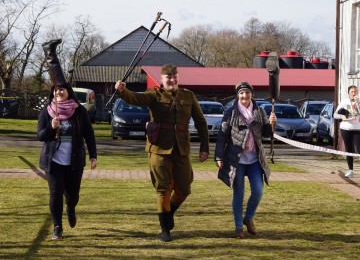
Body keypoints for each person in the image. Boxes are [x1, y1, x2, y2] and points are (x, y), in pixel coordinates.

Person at [115, 64, 209, 242]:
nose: (171, 80)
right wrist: (123, 91)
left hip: (181, 148)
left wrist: (205, 147)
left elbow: (201, 121)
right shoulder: (154, 94)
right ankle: (165, 228)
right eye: (168, 77)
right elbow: (136, 98)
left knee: (184, 188)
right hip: (159, 148)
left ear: (178, 78)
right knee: (163, 189)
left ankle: (168, 213)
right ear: (162, 79)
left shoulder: (188, 96)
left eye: (174, 77)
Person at [38, 39, 97, 240]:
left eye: (62, 89)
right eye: (56, 89)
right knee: (55, 193)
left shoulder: (79, 111)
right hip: (53, 161)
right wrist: (50, 127)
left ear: (68, 91)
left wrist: (93, 155)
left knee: (72, 196)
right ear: (53, 93)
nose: (59, 91)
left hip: (74, 161)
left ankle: (71, 209)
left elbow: (89, 134)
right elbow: (40, 136)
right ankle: (57, 226)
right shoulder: (47, 112)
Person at [214, 81, 276, 239]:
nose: (244, 95)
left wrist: (271, 124)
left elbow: (266, 134)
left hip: (255, 158)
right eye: (241, 93)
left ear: (252, 95)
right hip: (236, 158)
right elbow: (222, 136)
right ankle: (238, 227)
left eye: (247, 92)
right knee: (239, 193)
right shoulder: (230, 112)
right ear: (237, 95)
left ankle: (248, 218)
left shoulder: (259, 111)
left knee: (258, 191)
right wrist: (219, 156)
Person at [334, 85, 360, 178]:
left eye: (355, 91)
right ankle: (350, 170)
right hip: (346, 127)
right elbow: (335, 115)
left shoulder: (359, 101)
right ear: (349, 93)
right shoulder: (344, 102)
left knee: (359, 148)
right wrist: (342, 117)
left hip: (357, 128)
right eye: (352, 91)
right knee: (349, 149)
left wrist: (358, 103)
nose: (354, 93)